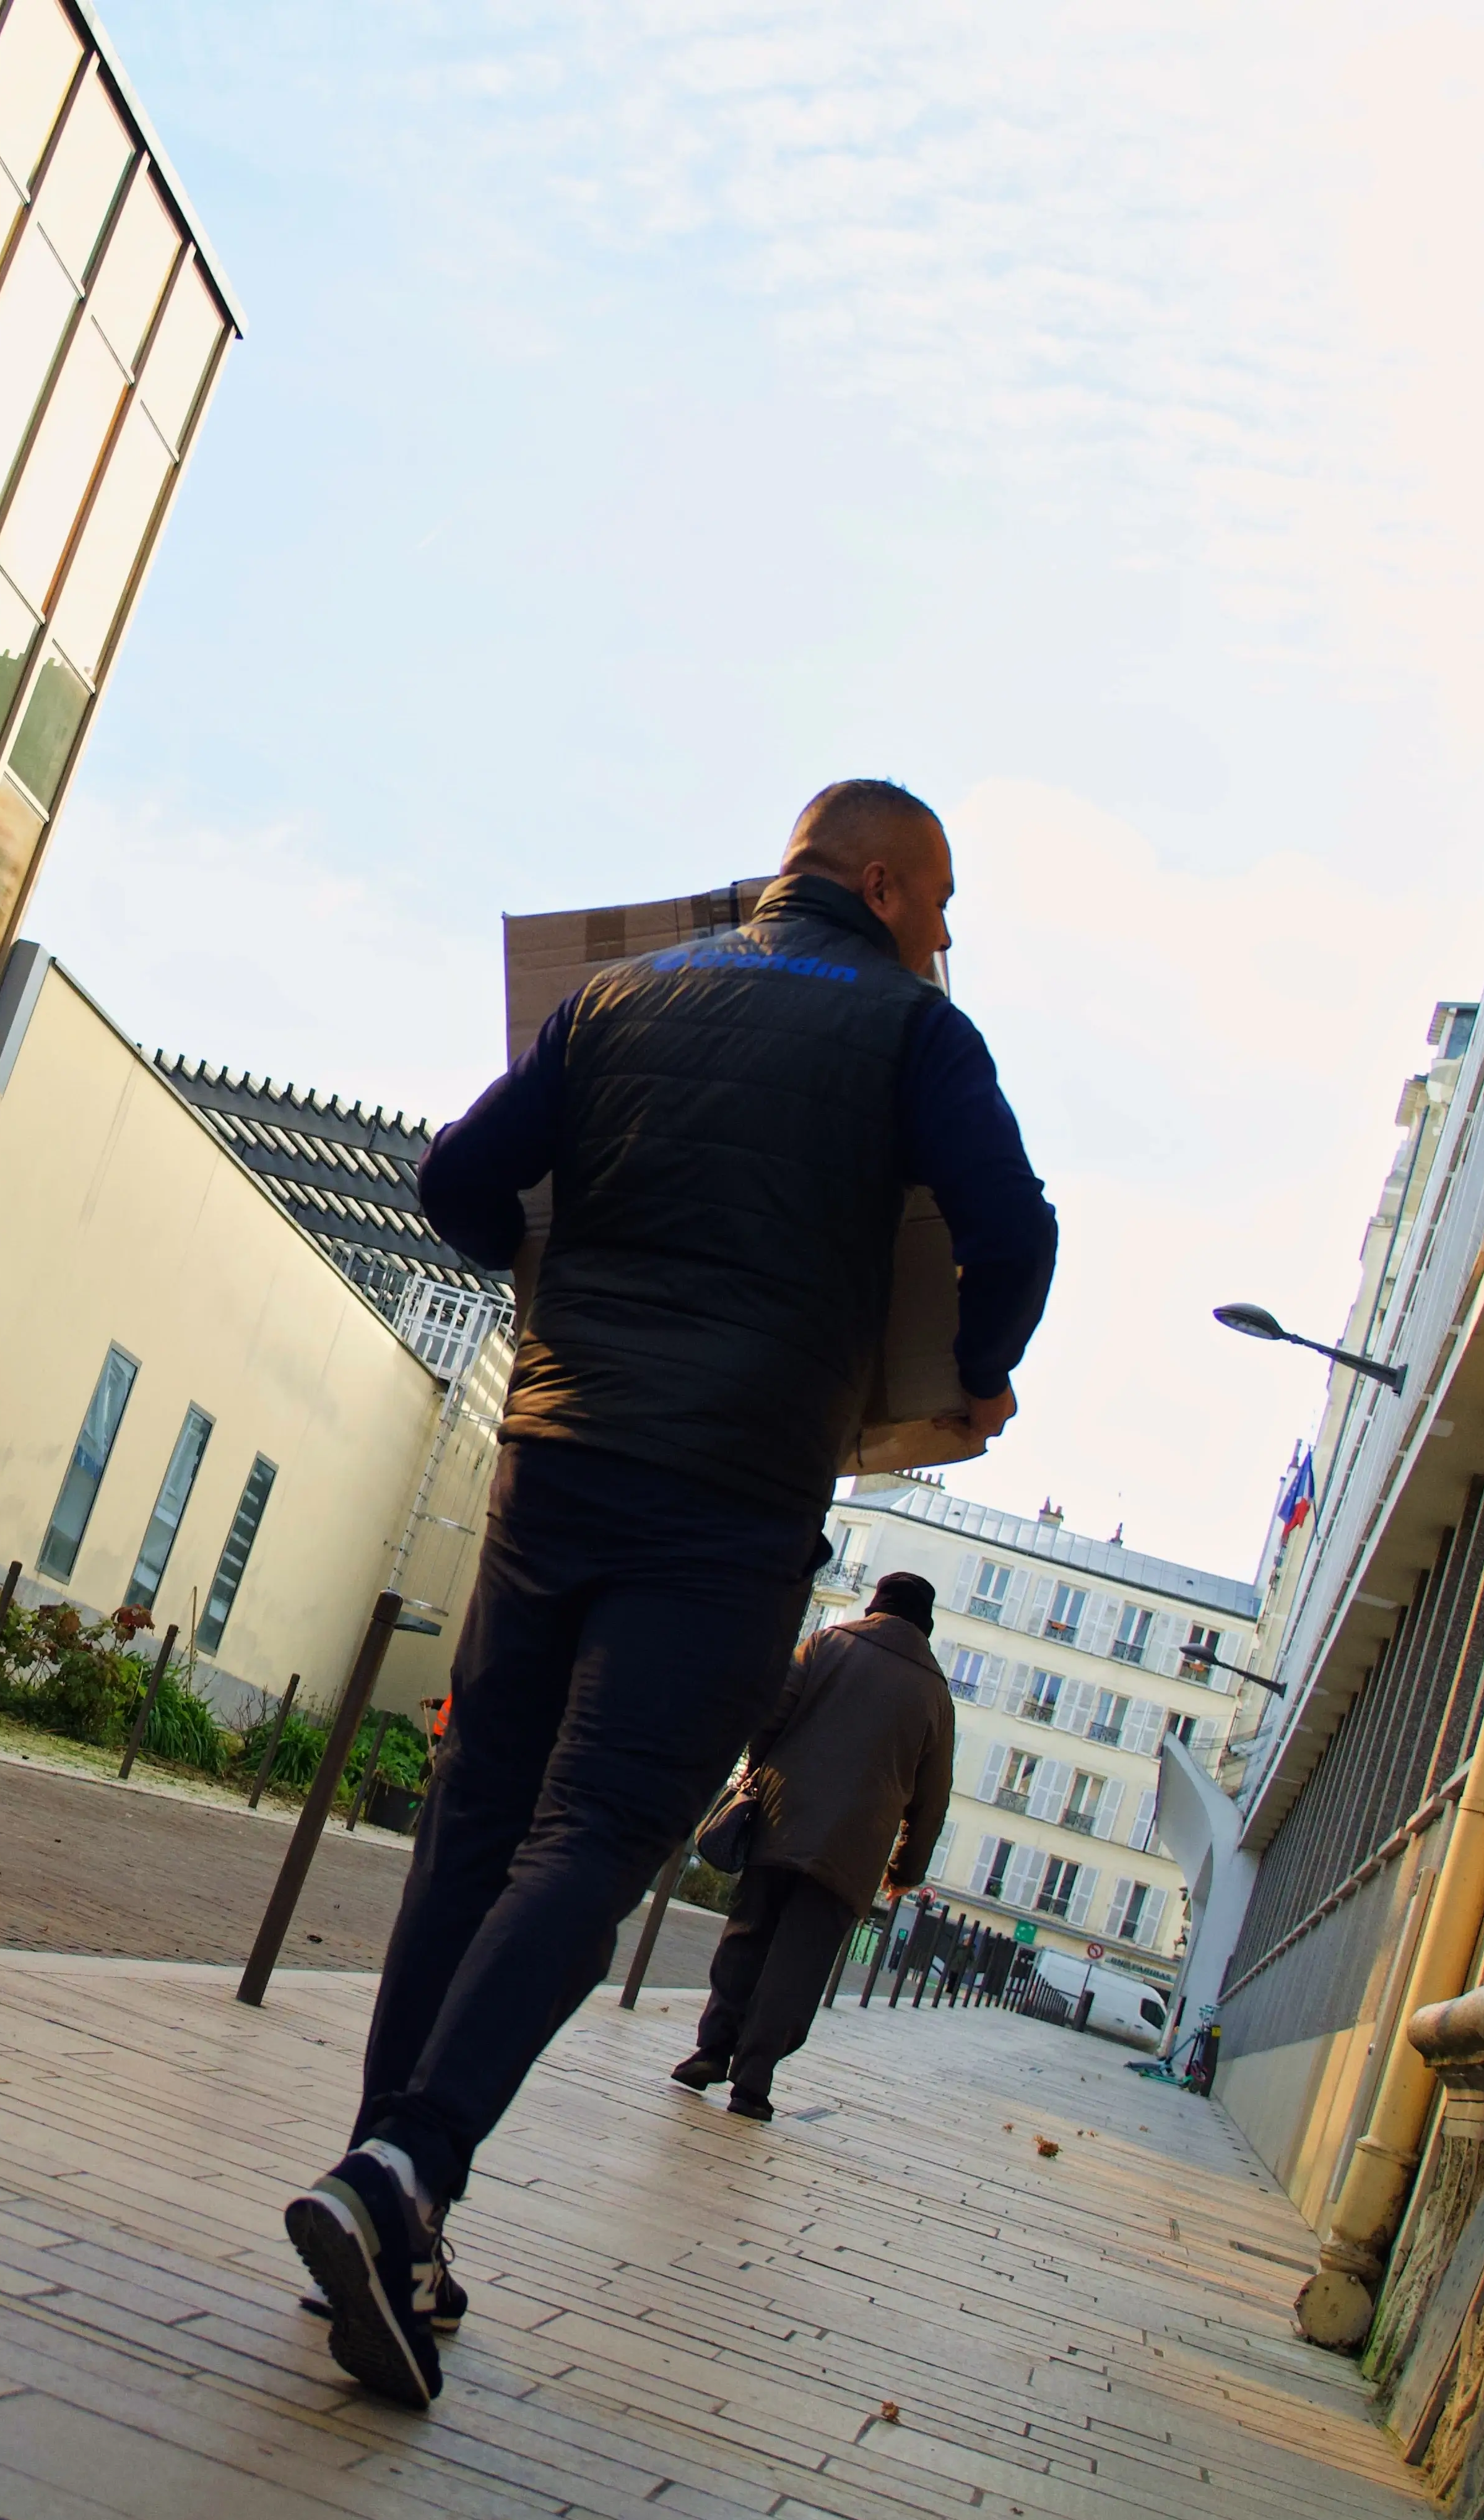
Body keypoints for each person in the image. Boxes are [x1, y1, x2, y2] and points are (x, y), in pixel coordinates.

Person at [282, 777, 1057, 2412]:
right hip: (732, 1491)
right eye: (943, 902)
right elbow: (1014, 1226)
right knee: (598, 1836)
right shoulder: (917, 1033)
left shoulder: (620, 996)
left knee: (478, 1825)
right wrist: (970, 1377)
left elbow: (454, 1186)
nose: (948, 935)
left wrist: (567, 1290)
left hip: (553, 1461)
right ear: (881, 881)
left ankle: (382, 2190)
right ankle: (407, 2169)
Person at [672, 1571, 955, 2116]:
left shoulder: (828, 1643)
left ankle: (711, 2048)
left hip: (783, 1819)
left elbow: (770, 1714)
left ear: (876, 1607)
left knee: (747, 1936)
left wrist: (761, 1769)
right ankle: (753, 2080)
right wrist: (906, 1869)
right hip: (854, 1851)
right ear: (926, 1624)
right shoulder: (936, 1695)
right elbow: (931, 1801)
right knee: (799, 1963)